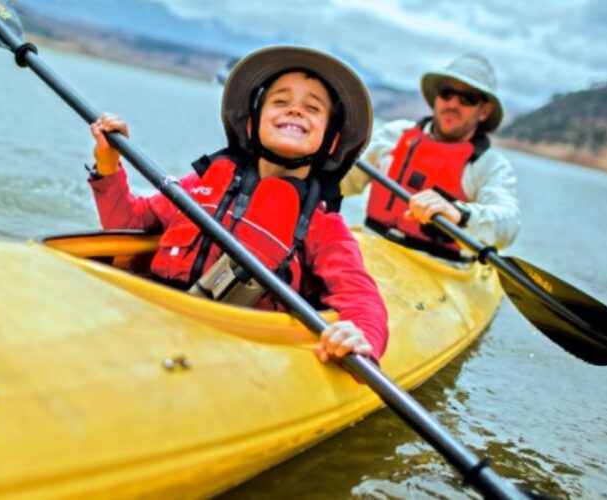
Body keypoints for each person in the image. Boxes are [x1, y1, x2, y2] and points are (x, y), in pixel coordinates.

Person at [87, 46, 388, 364]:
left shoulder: (322, 225)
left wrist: (360, 334)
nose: (295, 111)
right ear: (251, 124)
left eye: (312, 108)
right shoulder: (200, 184)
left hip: (234, 352)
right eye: (280, 101)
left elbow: (360, 295)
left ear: (332, 141)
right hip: (156, 314)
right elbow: (127, 222)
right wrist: (108, 165)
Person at [341, 52, 520, 261]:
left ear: (484, 111)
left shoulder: (490, 165)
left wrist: (460, 214)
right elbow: (344, 179)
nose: (453, 104)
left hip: (440, 272)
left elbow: (509, 223)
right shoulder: (395, 134)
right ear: (436, 97)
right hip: (373, 249)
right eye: (446, 93)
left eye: (467, 98)